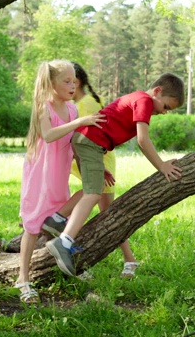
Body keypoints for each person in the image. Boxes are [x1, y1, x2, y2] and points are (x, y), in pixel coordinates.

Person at [45, 72, 185, 277]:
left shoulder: (137, 98)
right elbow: (142, 140)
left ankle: (56, 219)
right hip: (90, 142)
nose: (164, 113)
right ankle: (64, 242)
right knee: (94, 194)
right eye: (165, 107)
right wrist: (161, 165)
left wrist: (100, 168)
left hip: (88, 142)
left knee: (93, 189)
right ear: (157, 91)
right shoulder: (144, 101)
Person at [14, 59, 105, 303]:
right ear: (51, 83)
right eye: (66, 81)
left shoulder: (73, 110)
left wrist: (92, 169)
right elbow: (49, 135)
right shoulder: (44, 107)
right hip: (40, 175)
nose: (72, 85)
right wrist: (79, 123)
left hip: (59, 175)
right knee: (33, 226)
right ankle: (23, 279)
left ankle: (66, 261)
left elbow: (74, 145)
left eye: (74, 80)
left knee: (66, 214)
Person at [43, 62, 138, 278]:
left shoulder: (86, 104)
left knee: (106, 210)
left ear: (79, 83)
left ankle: (129, 259)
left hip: (98, 158)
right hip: (89, 157)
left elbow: (97, 134)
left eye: (71, 82)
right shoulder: (84, 102)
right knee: (96, 203)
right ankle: (58, 224)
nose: (68, 87)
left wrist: (100, 165)